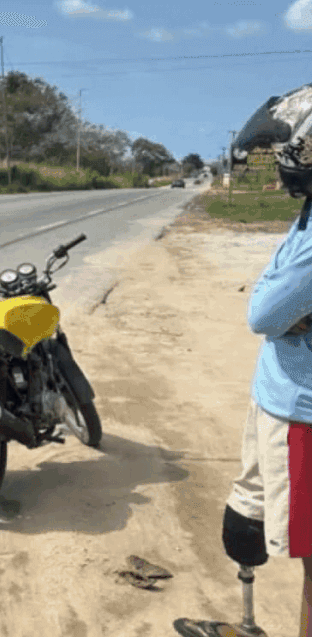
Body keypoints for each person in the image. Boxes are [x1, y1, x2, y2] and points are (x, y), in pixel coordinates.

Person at [175, 83, 312, 637]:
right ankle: (248, 623)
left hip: (301, 412)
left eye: (286, 150)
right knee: (251, 522)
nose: (280, 163)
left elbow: (262, 312)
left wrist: (283, 309)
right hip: (279, 393)